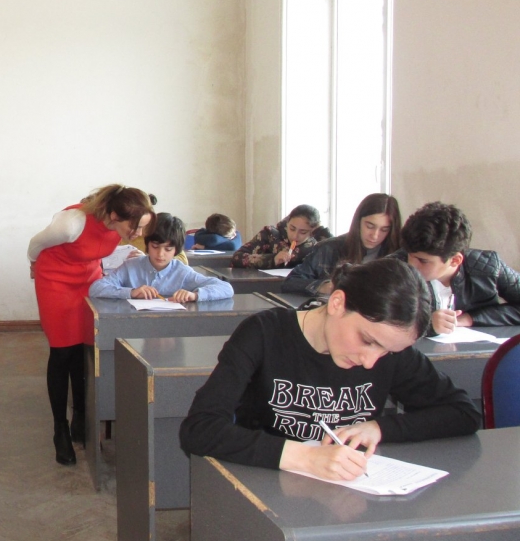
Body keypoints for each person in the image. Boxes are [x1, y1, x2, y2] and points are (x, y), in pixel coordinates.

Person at [179, 257, 479, 481]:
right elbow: (199, 429)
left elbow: (463, 413)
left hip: (349, 490)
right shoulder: (264, 334)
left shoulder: (388, 350)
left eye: (388, 352)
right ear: (337, 303)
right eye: (367, 341)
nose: (371, 361)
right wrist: (306, 458)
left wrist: (379, 428)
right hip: (265, 484)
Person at [28, 184, 155, 466]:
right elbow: (35, 244)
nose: (138, 233)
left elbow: (100, 250)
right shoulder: (72, 223)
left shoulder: (119, 225)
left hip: (88, 280)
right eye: (134, 227)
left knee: (85, 348)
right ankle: (60, 428)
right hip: (55, 281)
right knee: (63, 351)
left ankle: (81, 417)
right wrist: (33, 265)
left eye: (142, 227)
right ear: (114, 216)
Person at [400, 201, 520, 334]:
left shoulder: (487, 266)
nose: (411, 264)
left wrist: (470, 318)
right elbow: (383, 321)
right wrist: (427, 325)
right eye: (409, 255)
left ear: (455, 260)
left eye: (423, 261)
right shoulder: (395, 267)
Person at [90, 213, 234, 303]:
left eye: (168, 249)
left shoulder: (182, 272)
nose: (160, 254)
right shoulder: (131, 266)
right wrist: (131, 292)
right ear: (147, 245)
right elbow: (96, 288)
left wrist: (194, 295)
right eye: (155, 246)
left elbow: (226, 288)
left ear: (176, 250)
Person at [283, 194, 402, 295]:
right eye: (370, 226)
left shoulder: (400, 255)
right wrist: (322, 287)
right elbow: (290, 282)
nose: (375, 235)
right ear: (358, 222)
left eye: (384, 229)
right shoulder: (329, 249)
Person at [230, 204, 324, 269]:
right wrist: (273, 259)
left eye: (303, 232)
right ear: (287, 222)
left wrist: (322, 231)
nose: (295, 236)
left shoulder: (317, 245)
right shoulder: (270, 234)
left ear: (312, 231)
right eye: (292, 229)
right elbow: (237, 257)